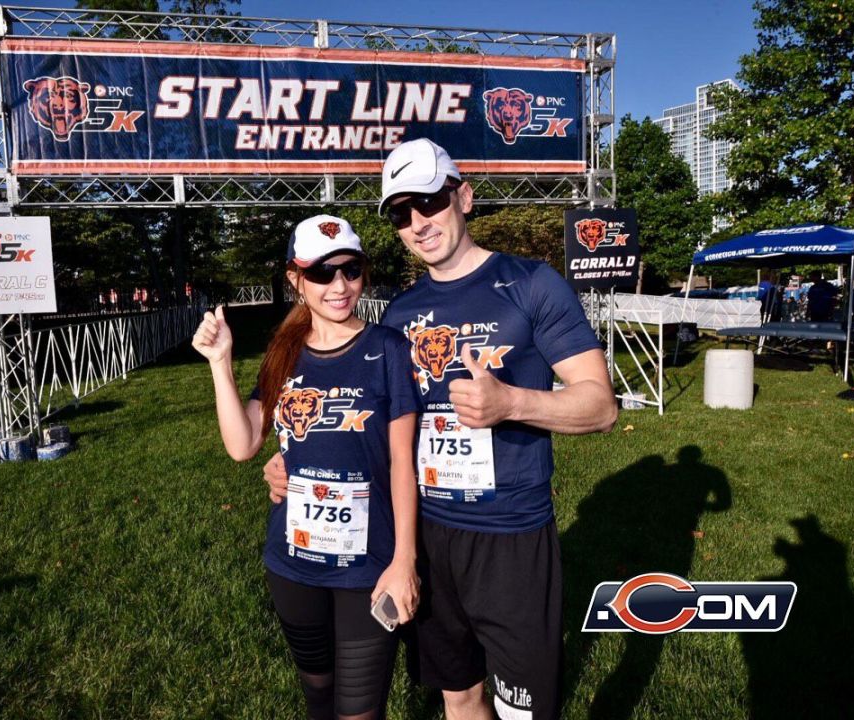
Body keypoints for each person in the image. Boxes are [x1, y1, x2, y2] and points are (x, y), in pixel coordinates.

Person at [264, 139, 617, 719]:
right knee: (461, 697)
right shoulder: (400, 314)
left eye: (430, 202)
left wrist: (512, 402)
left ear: (465, 197)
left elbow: (600, 407)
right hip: (429, 537)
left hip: (510, 535)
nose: (419, 223)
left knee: (524, 710)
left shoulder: (530, 284)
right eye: (402, 213)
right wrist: (293, 466)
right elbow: (375, 432)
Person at [191, 215, 420, 720]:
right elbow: (244, 442)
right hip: (294, 565)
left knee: (358, 711)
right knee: (319, 694)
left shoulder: (388, 349)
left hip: (369, 566)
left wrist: (404, 560)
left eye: (351, 270)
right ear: (296, 279)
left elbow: (403, 463)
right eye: (322, 274)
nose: (339, 286)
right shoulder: (284, 351)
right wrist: (219, 364)